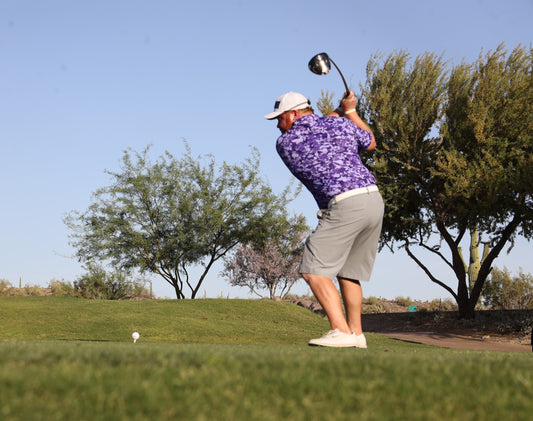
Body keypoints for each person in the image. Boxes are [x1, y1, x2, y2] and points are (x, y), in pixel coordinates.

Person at [265, 91, 384, 348]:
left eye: (280, 118)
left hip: (344, 204)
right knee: (348, 273)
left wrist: (341, 110)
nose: (277, 125)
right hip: (373, 200)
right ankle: (357, 334)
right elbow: (370, 142)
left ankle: (340, 330)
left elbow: (319, 124)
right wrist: (349, 111)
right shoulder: (339, 124)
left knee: (312, 269)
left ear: (294, 114)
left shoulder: (285, 143)